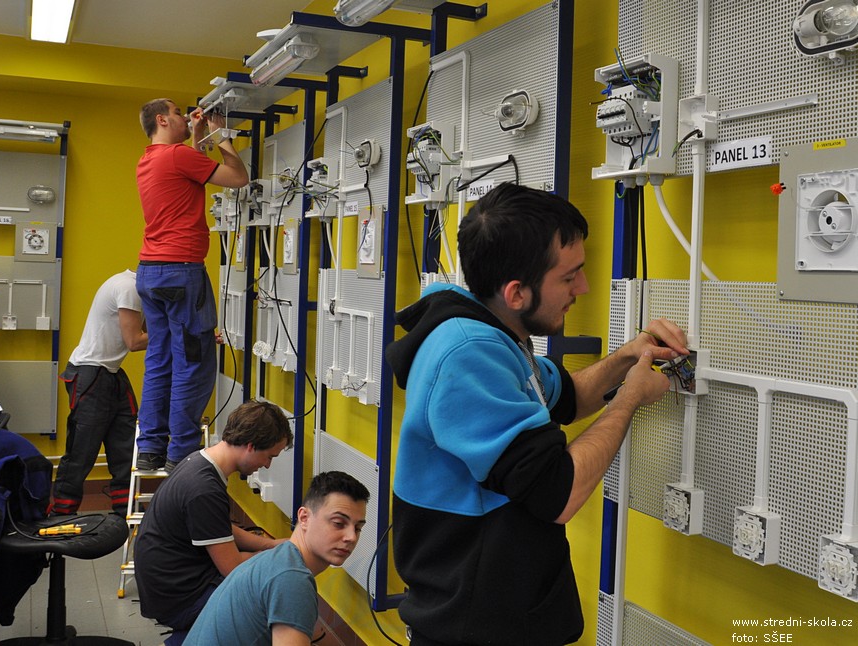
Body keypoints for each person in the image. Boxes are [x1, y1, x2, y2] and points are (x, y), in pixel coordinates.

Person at [385, 182, 689, 645]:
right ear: (516, 293)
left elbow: (566, 398)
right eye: (569, 278)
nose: (583, 288)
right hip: (473, 628)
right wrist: (629, 398)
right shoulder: (468, 354)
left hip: (500, 610)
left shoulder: (495, 333)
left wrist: (630, 355)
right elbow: (558, 493)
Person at [134, 98, 250, 472]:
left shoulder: (150, 159)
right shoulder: (177, 156)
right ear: (162, 119)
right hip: (181, 271)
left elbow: (190, 168)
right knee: (193, 363)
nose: (185, 117)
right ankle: (181, 452)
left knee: (160, 359)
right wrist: (220, 136)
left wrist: (198, 133)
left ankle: (150, 448)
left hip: (151, 272)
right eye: (178, 113)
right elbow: (238, 177)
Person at [134, 399, 293, 645]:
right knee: (267, 592)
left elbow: (219, 529)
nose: (267, 465)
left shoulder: (199, 461)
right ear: (251, 446)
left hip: (167, 585)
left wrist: (269, 545)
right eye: (269, 456)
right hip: (179, 599)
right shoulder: (204, 489)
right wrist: (277, 558)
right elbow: (232, 569)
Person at [184, 470, 369, 646]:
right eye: (338, 523)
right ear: (304, 518)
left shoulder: (280, 559)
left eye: (358, 528)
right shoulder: (292, 579)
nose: (351, 537)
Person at [50, 269, 147, 516]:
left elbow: (152, 330)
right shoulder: (128, 288)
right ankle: (60, 514)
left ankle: (125, 510)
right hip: (91, 372)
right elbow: (135, 341)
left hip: (111, 372)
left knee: (125, 447)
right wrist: (180, 334)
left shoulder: (140, 289)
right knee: (82, 450)